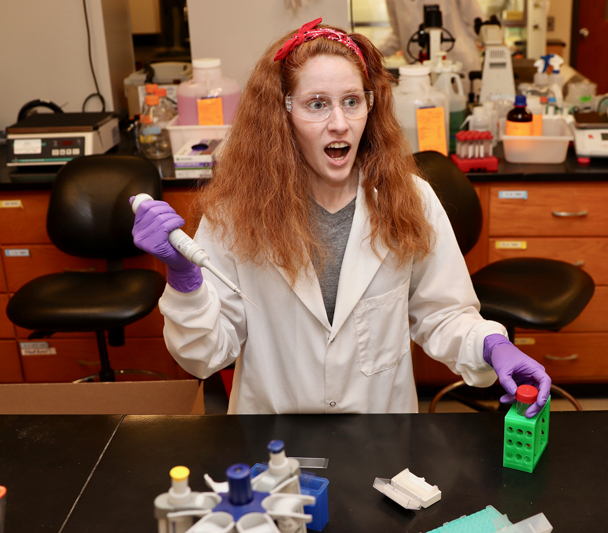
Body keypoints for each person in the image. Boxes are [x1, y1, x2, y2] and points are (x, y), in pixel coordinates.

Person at [131, 18, 550, 415]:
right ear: (283, 114)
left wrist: (492, 344)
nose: (340, 124)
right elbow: (205, 356)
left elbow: (443, 314)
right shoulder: (236, 211)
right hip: (275, 433)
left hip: (378, 431)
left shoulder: (409, 198)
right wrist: (186, 283)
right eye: (317, 104)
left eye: (352, 102)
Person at [378, 0, 484, 75]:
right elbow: (398, 35)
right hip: (420, 70)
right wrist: (370, 53)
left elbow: (479, 24)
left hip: (458, 65)